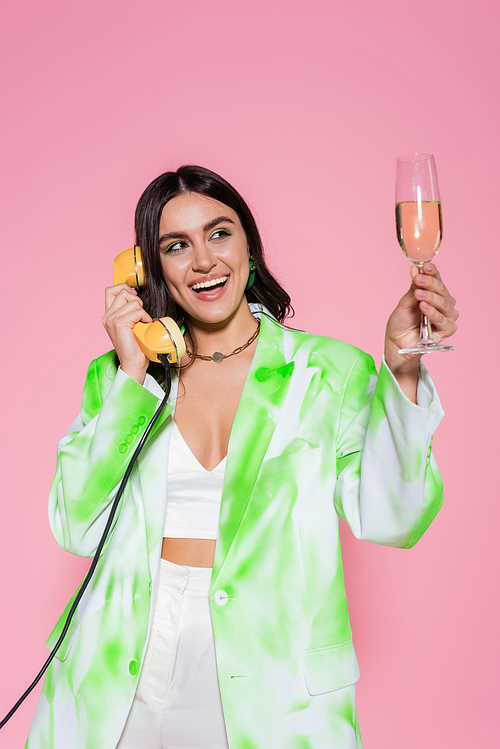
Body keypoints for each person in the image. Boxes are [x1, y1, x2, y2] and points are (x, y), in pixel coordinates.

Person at [26, 165, 458, 749]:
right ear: (148, 271)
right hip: (118, 664)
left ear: (249, 247)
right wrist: (133, 370)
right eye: (176, 246)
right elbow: (76, 528)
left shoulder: (329, 372)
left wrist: (403, 372)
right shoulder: (120, 379)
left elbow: (395, 520)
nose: (203, 261)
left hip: (271, 677)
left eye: (219, 233)